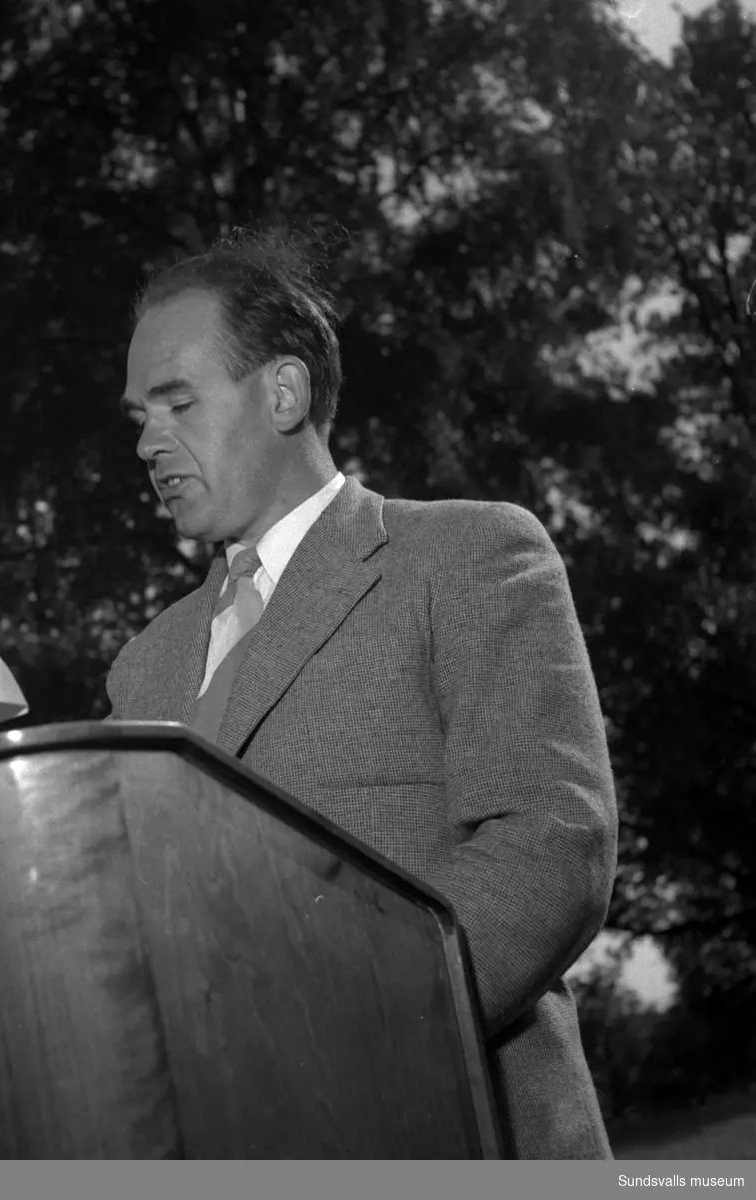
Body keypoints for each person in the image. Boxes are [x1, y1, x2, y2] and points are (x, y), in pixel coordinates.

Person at [106, 227, 618, 1160]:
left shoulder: (468, 556)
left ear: (284, 392)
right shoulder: (139, 668)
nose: (147, 440)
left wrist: (325, 1029)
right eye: (140, 414)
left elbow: (551, 844)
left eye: (177, 401)